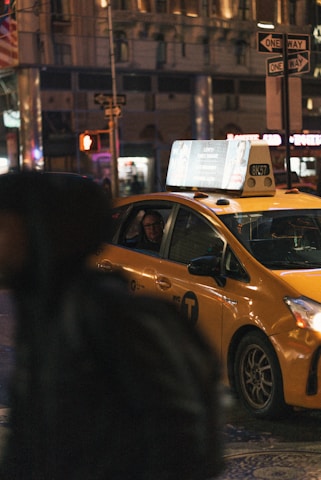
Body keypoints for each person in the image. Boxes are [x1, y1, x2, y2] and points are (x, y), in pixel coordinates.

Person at [0, 171, 224, 480]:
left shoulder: (107, 315)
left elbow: (181, 436)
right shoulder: (42, 315)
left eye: (2, 225)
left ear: (40, 230)